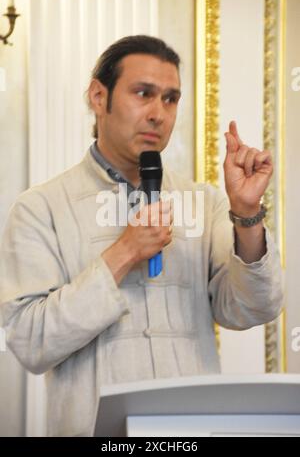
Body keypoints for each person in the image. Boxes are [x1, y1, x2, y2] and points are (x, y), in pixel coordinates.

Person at [0, 35, 283, 436]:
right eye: (143, 93)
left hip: (193, 434)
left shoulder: (204, 202)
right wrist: (123, 253)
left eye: (170, 99)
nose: (158, 113)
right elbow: (30, 342)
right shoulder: (40, 208)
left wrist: (247, 213)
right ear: (99, 97)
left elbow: (253, 309)